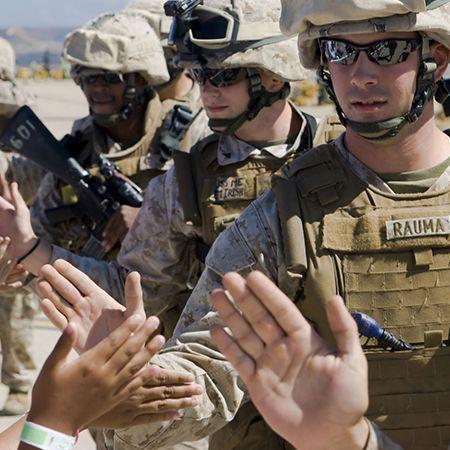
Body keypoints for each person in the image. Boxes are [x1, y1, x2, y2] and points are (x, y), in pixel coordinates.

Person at [26, 0, 450, 448]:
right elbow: (209, 367)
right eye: (341, 52)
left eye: (386, 51)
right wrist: (135, 386)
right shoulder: (281, 217)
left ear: (436, 59)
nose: (360, 76)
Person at [29, 10, 207, 259]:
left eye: (111, 78)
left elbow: (221, 226)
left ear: (142, 79)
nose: (98, 87)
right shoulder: (78, 149)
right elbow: (41, 229)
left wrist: (150, 220)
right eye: (88, 78)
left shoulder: (193, 134)